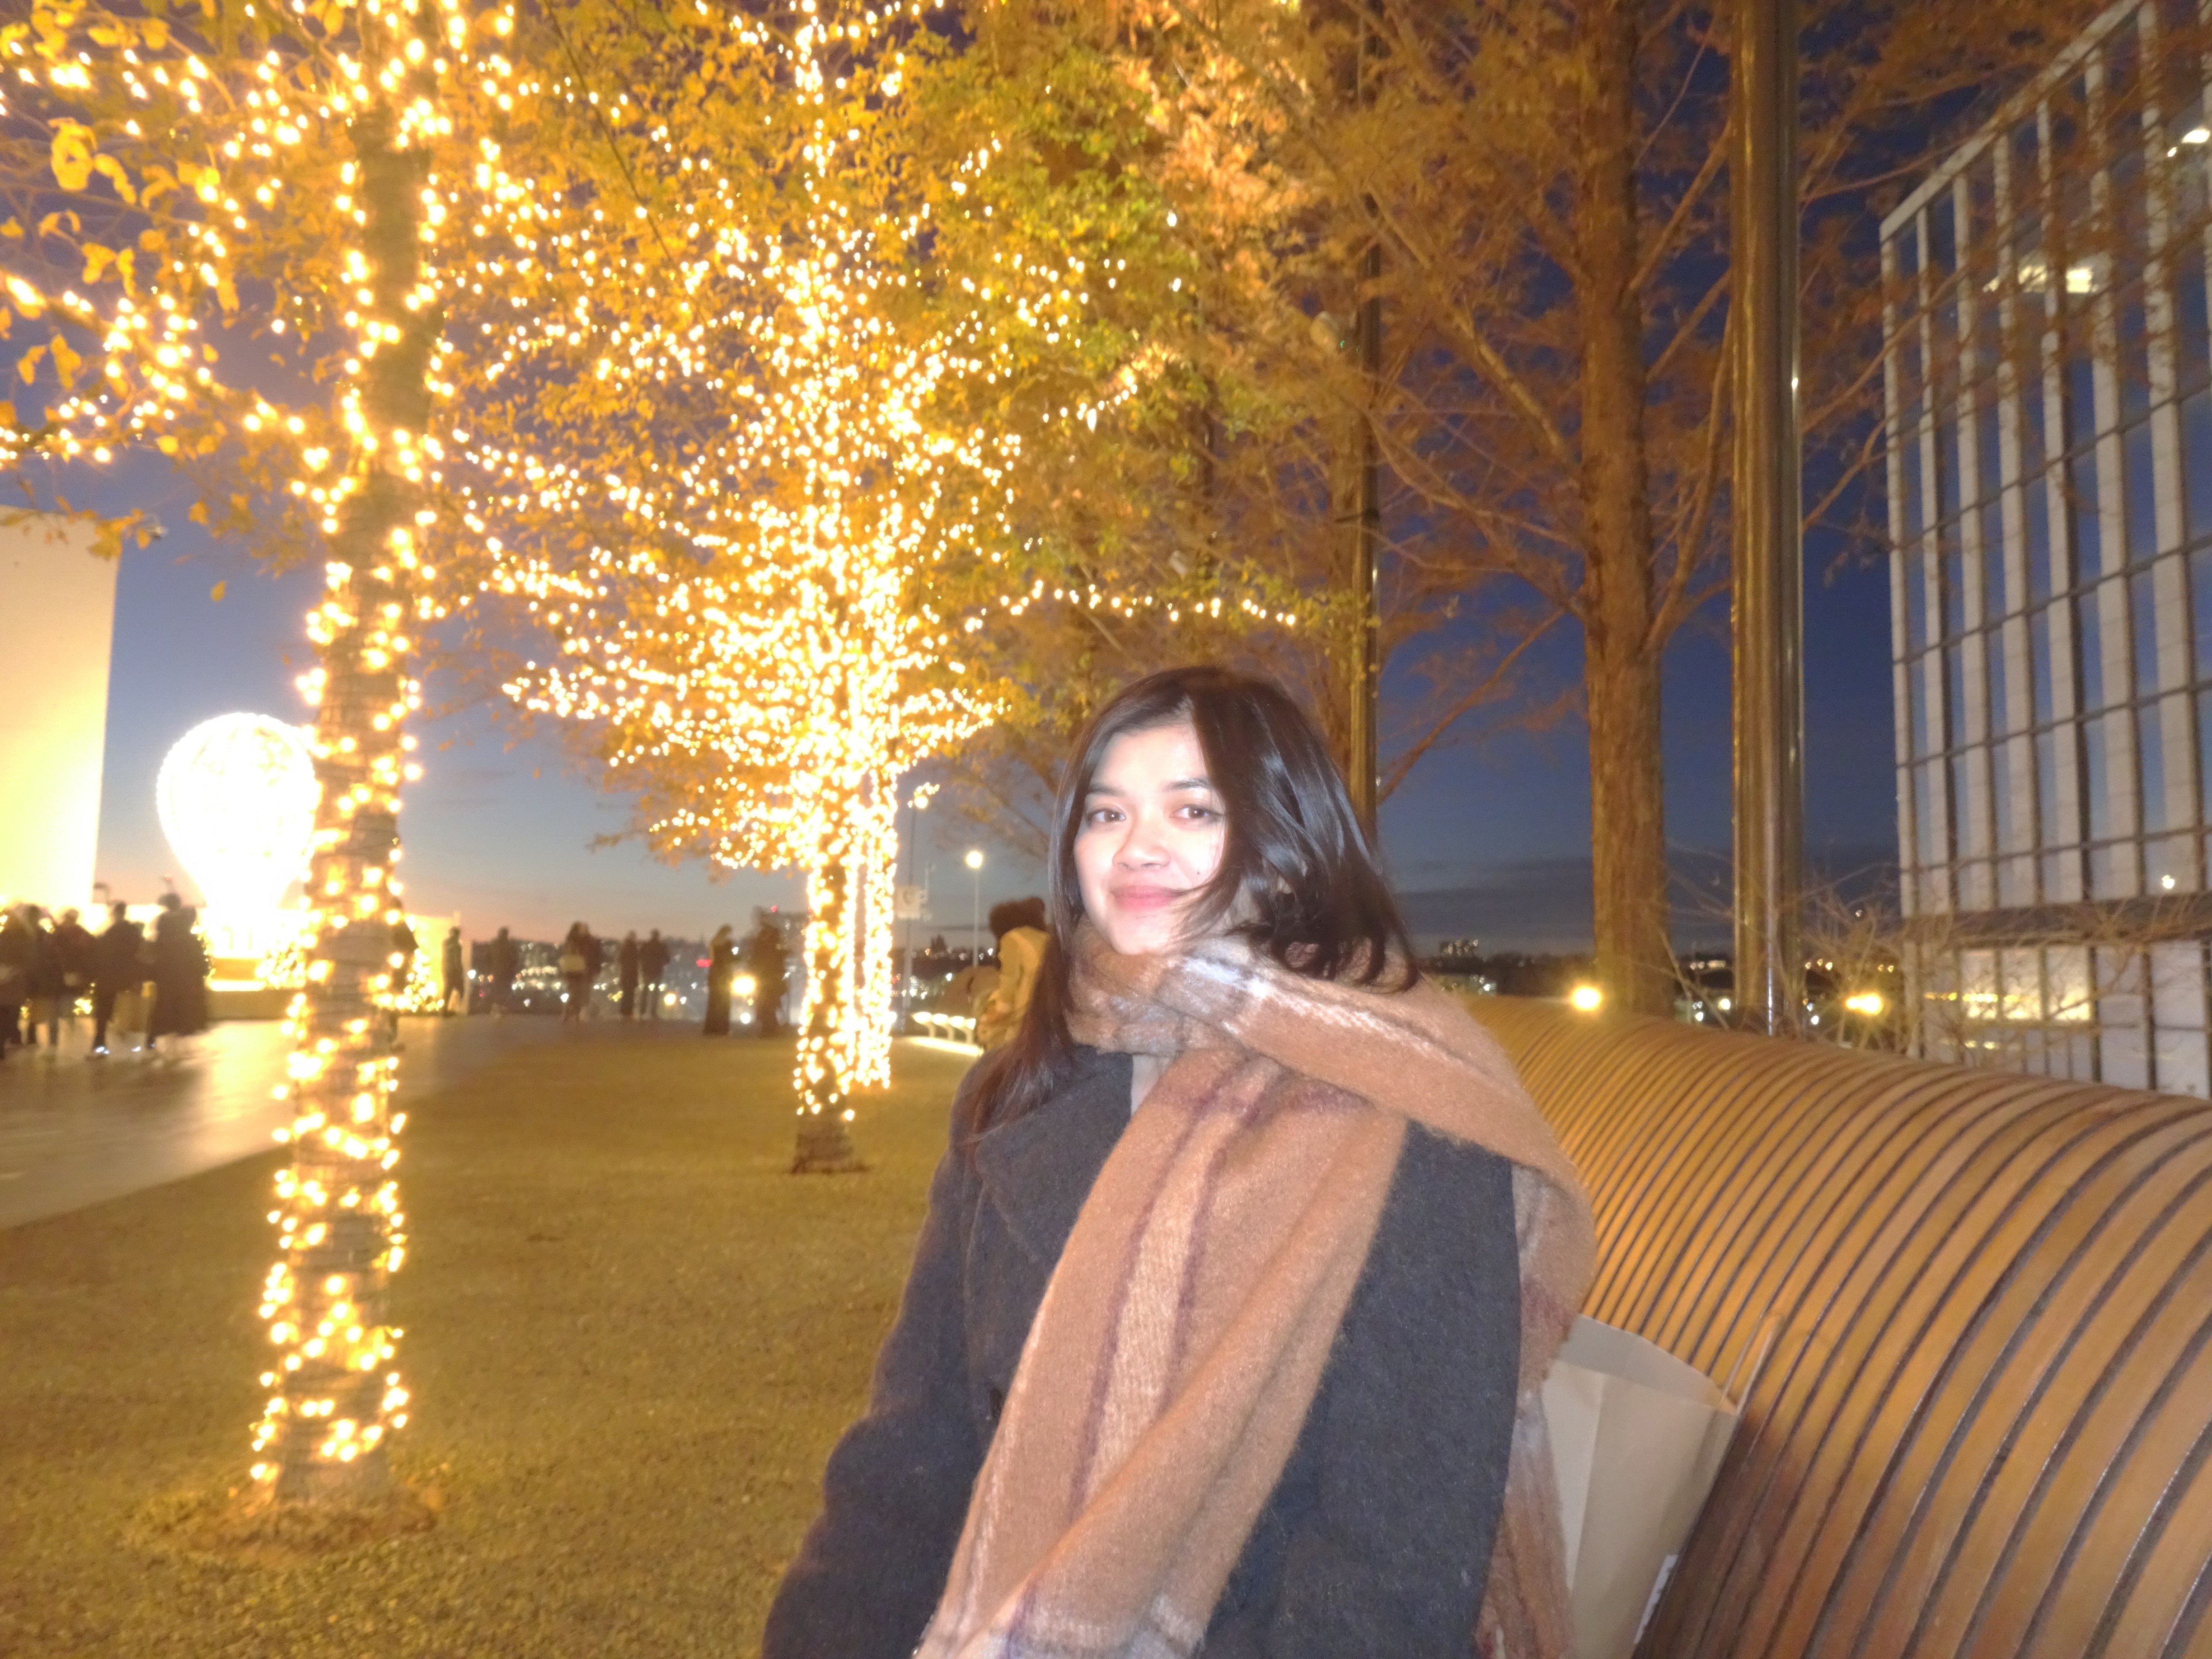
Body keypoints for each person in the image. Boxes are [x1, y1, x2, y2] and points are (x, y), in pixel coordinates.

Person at [762, 666, 1595, 1659]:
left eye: (1194, 810)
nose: (1137, 847)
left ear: (1288, 847)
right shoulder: (1014, 1092)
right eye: (1105, 813)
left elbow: (1391, 1568)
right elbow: (913, 1447)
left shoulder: (1413, 1119)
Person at [972, 897, 1047, 1051]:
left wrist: (997, 1013)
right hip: (1051, 1011)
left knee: (1013, 1054)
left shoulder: (1012, 939)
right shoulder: (1046, 938)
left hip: (1027, 1009)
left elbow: (1009, 981)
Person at [145, 895, 210, 1055]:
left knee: (162, 1007)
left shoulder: (164, 930)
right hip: (180, 979)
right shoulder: (187, 938)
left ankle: (152, 1041)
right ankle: (170, 1040)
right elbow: (198, 963)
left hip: (166, 977)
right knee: (176, 1009)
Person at [91, 901, 146, 1057]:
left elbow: (100, 953)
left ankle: (99, 1046)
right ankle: (129, 1047)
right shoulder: (133, 932)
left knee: (103, 1014)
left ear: (114, 914)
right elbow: (138, 957)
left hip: (108, 978)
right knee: (122, 1013)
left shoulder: (109, 932)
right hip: (125, 978)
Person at [21, 905, 65, 1053]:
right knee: (44, 1009)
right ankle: (42, 1040)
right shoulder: (42, 935)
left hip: (32, 977)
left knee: (34, 1008)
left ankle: (31, 1038)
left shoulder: (26, 934)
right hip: (40, 978)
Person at [52, 908, 97, 1040]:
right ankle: (68, 1030)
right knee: (67, 1002)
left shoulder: (59, 933)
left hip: (61, 974)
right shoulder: (82, 935)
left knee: (62, 1003)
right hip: (72, 973)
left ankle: (60, 1034)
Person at [0, 903, 33, 1058]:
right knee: (9, 1018)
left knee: (7, 1018)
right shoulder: (25, 937)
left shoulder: (10, 937)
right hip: (13, 986)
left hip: (10, 985)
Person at [746, 920, 788, 1036]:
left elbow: (754, 961)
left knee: (766, 1004)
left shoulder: (762, 946)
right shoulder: (773, 947)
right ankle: (771, 1027)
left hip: (765, 978)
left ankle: (769, 1027)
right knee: (770, 1004)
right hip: (770, 979)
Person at [703, 924, 736, 1036]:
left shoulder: (713, 942)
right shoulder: (727, 943)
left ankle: (711, 1028)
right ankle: (723, 1028)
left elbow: (713, 959)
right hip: (725, 975)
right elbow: (729, 959)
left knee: (713, 1001)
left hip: (714, 974)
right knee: (724, 1002)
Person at [558, 922, 592, 1025]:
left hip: (571, 970)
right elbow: (582, 952)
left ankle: (568, 1014)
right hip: (577, 969)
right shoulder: (578, 940)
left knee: (574, 993)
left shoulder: (571, 939)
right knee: (577, 993)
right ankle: (571, 1014)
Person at [639, 928, 671, 1018]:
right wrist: (660, 963)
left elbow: (641, 957)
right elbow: (667, 959)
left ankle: (642, 1011)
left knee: (645, 991)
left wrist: (645, 966)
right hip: (658, 971)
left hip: (647, 971)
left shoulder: (646, 945)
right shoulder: (662, 946)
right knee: (656, 993)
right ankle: (653, 1012)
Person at [488, 926, 519, 1015]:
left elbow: (488, 958)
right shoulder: (510, 945)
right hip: (507, 972)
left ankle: (496, 1006)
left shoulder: (494, 944)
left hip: (497, 971)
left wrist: (491, 968)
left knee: (497, 989)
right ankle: (502, 1006)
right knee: (506, 989)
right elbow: (515, 959)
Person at [440, 926, 466, 1016]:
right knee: (461, 989)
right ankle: (455, 1009)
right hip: (454, 970)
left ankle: (444, 1009)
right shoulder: (456, 946)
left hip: (445, 969)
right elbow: (457, 960)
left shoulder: (445, 943)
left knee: (447, 990)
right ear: (457, 935)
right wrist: (460, 971)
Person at [618, 930, 642, 1020]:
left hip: (626, 974)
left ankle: (625, 1011)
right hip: (631, 974)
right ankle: (628, 1011)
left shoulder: (625, 947)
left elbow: (620, 960)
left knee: (627, 993)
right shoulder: (634, 948)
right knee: (630, 994)